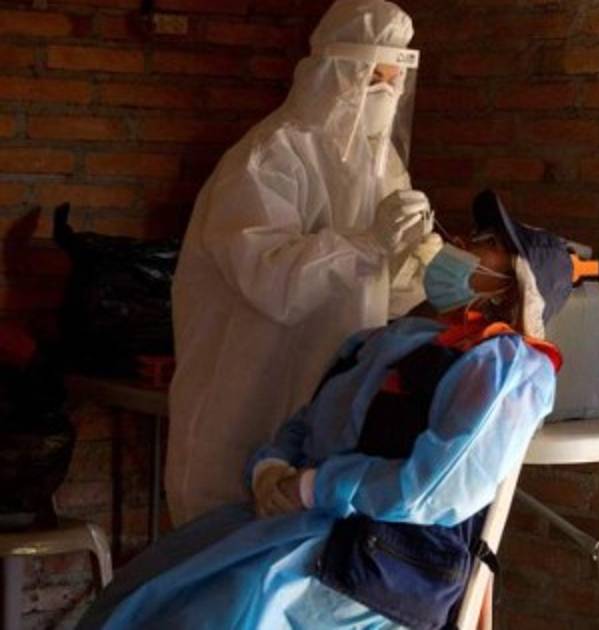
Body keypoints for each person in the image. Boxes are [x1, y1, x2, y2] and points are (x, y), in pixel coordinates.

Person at [79, 192, 575, 629]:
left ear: (515, 283)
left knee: (217, 611)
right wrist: (272, 468)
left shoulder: (509, 367)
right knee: (144, 591)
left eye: (486, 242)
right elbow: (311, 420)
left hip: (384, 561)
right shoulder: (400, 338)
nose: (461, 243)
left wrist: (315, 486)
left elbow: (434, 488)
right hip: (315, 525)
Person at [167, 0, 439, 524]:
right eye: (371, 78)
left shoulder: (381, 163)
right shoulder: (270, 157)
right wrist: (371, 244)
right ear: (333, 72)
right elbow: (273, 281)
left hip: (322, 410)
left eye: (394, 79)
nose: (384, 94)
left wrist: (420, 260)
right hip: (246, 399)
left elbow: (384, 295)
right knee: (221, 547)